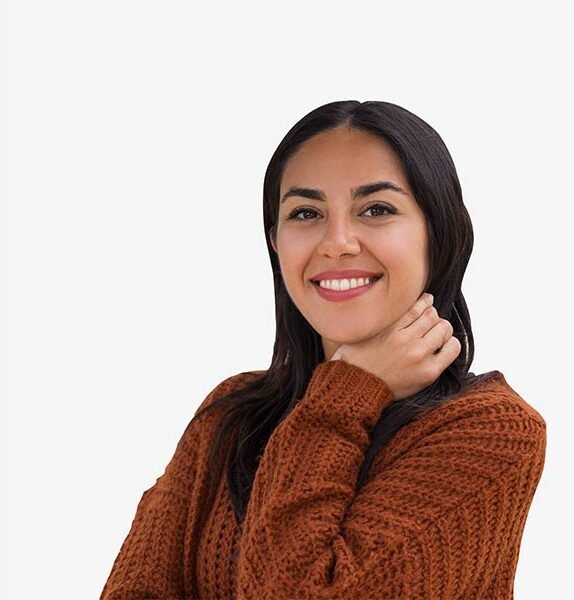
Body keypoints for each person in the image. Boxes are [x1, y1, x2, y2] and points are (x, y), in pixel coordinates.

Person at [100, 100, 546, 599]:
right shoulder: (231, 415)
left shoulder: (491, 431)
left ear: (439, 233)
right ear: (275, 242)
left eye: (376, 209)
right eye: (306, 213)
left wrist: (349, 392)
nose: (337, 243)